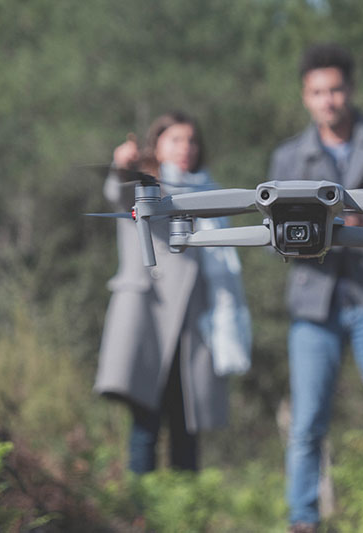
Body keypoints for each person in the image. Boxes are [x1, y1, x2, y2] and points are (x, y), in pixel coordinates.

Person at [267, 43, 363, 532]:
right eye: (318, 92)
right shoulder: (288, 156)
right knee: (308, 424)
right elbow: (276, 239)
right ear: (305, 96)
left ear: (350, 90)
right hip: (316, 302)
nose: (328, 100)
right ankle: (302, 520)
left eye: (335, 90)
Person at [95, 111, 251, 474]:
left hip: (194, 325)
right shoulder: (144, 186)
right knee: (145, 428)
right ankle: (143, 518)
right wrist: (122, 166)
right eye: (176, 140)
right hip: (148, 318)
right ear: (157, 145)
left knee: (186, 431)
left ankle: (184, 516)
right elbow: (117, 193)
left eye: (192, 140)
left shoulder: (210, 192)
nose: (186, 148)